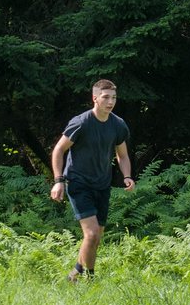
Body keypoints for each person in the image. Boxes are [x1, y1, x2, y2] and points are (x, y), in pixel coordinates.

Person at [48, 79, 134, 282]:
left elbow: (122, 155)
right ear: (95, 98)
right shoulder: (81, 122)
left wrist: (127, 176)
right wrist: (58, 180)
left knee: (95, 237)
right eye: (105, 97)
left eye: (113, 98)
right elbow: (58, 150)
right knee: (92, 234)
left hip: (102, 185)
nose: (110, 102)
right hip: (79, 183)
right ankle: (90, 278)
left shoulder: (118, 125)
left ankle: (75, 274)